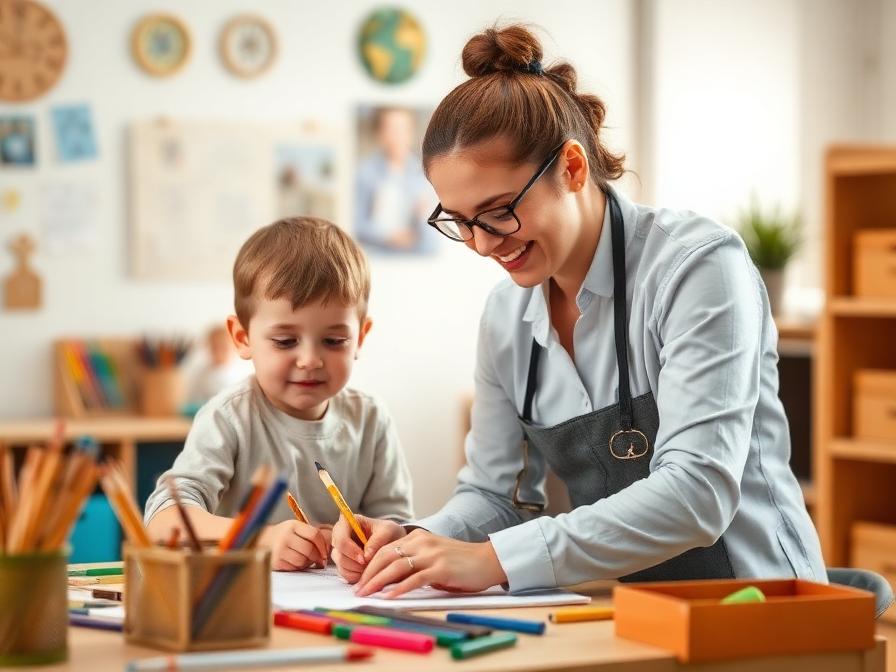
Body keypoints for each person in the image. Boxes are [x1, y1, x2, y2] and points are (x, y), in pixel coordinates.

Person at [331, 25, 824, 597]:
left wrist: (493, 560)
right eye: (461, 221)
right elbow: (497, 495)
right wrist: (413, 541)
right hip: (632, 609)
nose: (483, 245)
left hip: (763, 605)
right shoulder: (504, 318)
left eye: (497, 212)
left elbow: (697, 494)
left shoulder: (697, 267)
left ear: (571, 167)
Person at [145, 217, 414, 570]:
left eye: (334, 341)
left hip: (336, 604)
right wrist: (257, 537)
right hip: (239, 602)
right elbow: (162, 523)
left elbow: (398, 530)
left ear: (360, 338)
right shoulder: (229, 417)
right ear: (242, 338)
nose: (310, 360)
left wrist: (373, 544)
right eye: (286, 341)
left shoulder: (371, 419)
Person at [354, 107, 434, 253]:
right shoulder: (364, 173)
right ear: (380, 134)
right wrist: (387, 236)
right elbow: (354, 224)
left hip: (416, 256)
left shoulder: (425, 174)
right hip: (377, 255)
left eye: (403, 129)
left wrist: (423, 217)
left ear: (411, 133)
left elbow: (434, 237)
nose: (398, 135)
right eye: (391, 129)